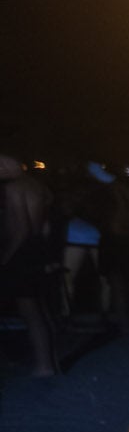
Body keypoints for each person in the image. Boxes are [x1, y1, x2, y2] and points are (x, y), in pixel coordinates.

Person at [0, 152, 63, 377]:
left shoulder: (14, 188)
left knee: (30, 312)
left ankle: (43, 366)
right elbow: (44, 228)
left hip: (23, 254)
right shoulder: (39, 187)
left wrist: (5, 258)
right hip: (37, 251)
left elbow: (20, 229)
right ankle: (50, 362)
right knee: (41, 310)